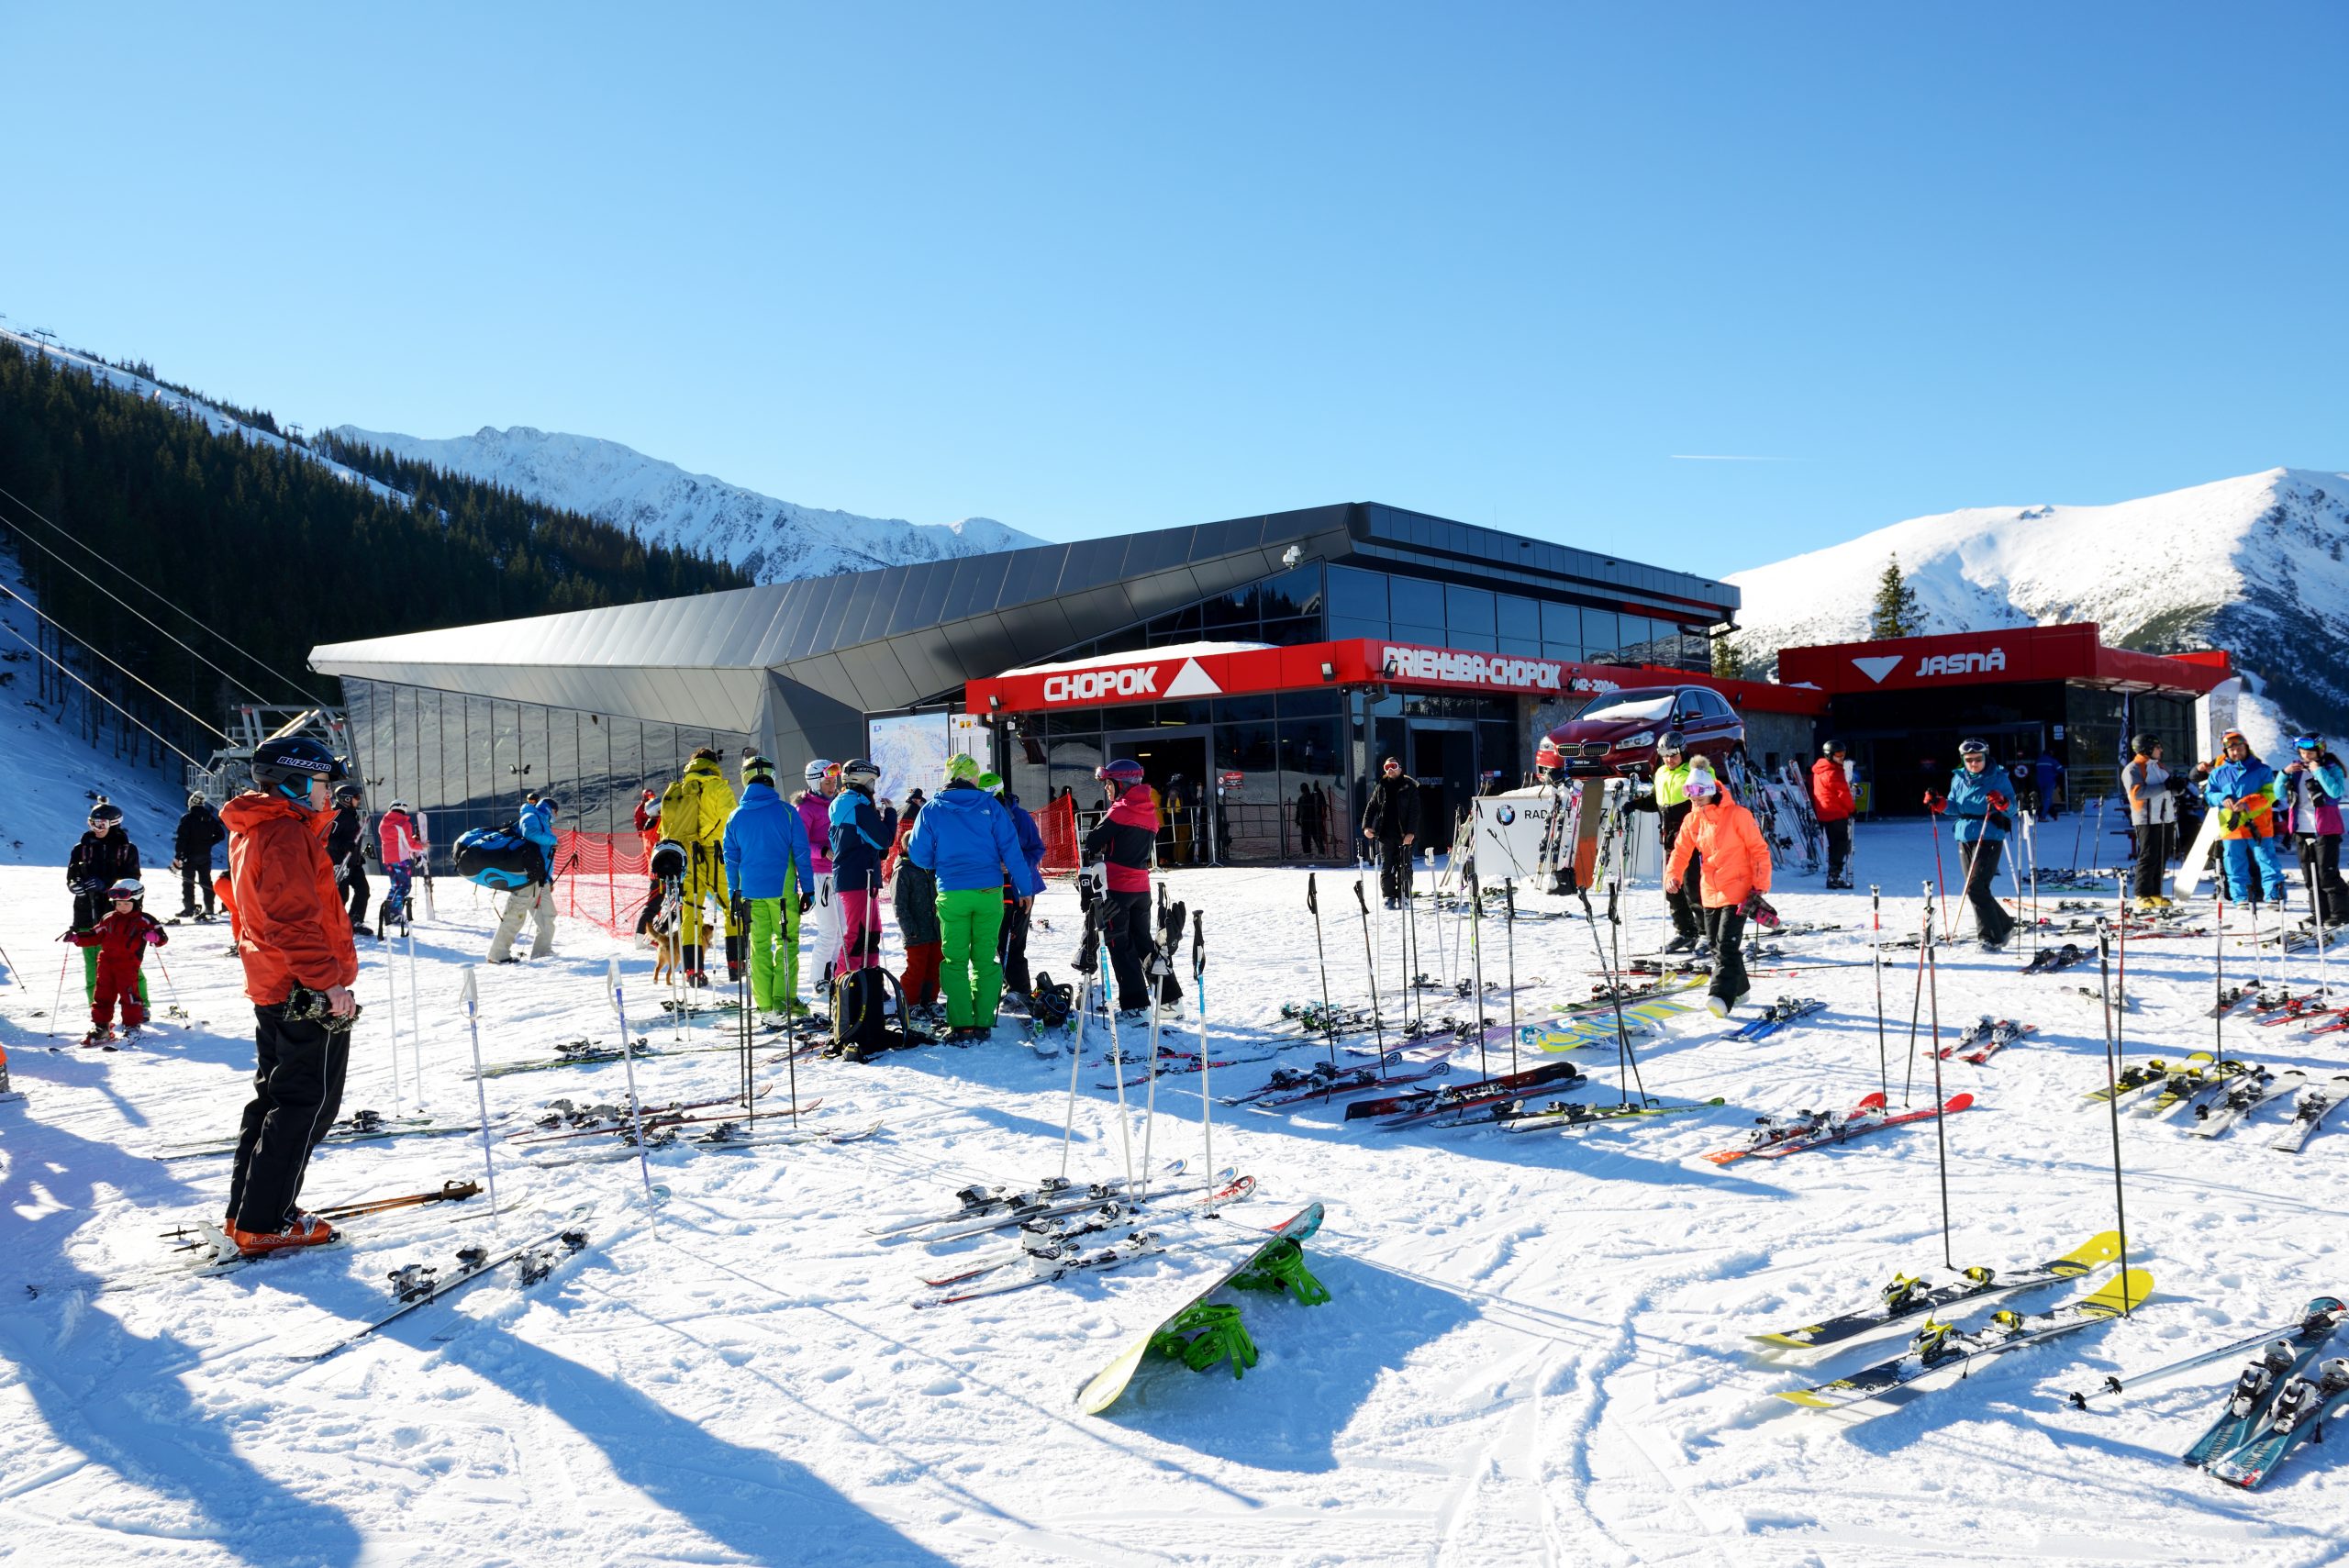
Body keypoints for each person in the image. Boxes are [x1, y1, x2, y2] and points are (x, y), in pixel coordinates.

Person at [217, 734, 360, 1257]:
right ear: (296, 781)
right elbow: (293, 919)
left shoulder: (260, 828)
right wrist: (328, 983)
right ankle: (264, 1220)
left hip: (274, 981)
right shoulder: (283, 834)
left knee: (276, 1098)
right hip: (301, 986)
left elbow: (238, 896)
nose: (330, 794)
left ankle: (248, 1211)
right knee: (307, 1103)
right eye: (323, 783)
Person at [906, 752, 1043, 1040]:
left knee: (955, 961)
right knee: (984, 960)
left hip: (952, 893)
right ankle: (982, 1022)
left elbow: (918, 855)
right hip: (989, 893)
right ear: (973, 778)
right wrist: (1024, 888)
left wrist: (941, 863)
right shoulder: (991, 807)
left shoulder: (931, 809)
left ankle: (961, 1024)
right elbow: (1012, 851)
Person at [1663, 768, 1771, 1016]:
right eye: (1689, 791)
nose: (1695, 796)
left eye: (1700, 791)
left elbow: (1759, 849)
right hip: (1710, 889)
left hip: (1739, 889)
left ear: (1711, 791)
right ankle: (1741, 990)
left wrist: (1761, 881)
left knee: (1725, 945)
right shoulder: (1692, 820)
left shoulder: (1738, 815)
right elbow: (1680, 851)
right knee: (1714, 943)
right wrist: (1673, 875)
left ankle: (1720, 997)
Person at [1083, 758, 1181, 1021]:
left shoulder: (1121, 809)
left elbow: (1092, 840)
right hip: (1141, 886)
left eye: (1109, 784)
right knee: (1143, 943)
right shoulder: (1148, 809)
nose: (1106, 789)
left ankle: (1135, 1004)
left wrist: (1105, 844)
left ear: (1121, 784)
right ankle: (1169, 999)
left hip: (1117, 887)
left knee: (1119, 944)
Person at [722, 755, 814, 1025]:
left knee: (758, 947)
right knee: (786, 945)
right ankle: (784, 999)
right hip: (782, 892)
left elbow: (731, 859)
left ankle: (765, 1007)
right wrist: (807, 889)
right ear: (771, 778)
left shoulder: (736, 816)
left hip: (750, 892)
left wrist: (734, 892)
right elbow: (801, 853)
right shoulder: (786, 812)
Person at [662, 747, 740, 984]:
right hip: (717, 855)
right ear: (714, 764)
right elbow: (732, 820)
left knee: (691, 911)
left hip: (688, 858)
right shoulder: (719, 787)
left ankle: (692, 971)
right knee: (731, 907)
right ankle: (737, 965)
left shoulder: (680, 790)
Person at [63, 877, 166, 1045]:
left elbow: (161, 938)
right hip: (105, 963)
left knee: (129, 996)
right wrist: (77, 938)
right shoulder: (109, 918)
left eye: (126, 904)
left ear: (137, 902)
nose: (122, 907)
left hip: (128, 964)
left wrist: (153, 937)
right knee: (102, 996)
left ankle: (132, 1027)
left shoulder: (144, 920)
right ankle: (101, 1027)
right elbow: (95, 934)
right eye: (118, 904)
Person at [1628, 732, 1705, 952]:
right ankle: (1685, 932)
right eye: (1664, 754)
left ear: (1682, 751)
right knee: (1672, 888)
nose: (1668, 759)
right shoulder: (1660, 773)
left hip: (1693, 840)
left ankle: (1706, 934)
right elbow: (1655, 801)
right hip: (1670, 842)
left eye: (1673, 754)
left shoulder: (1695, 772)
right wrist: (1635, 804)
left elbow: (1710, 802)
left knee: (1694, 888)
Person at [1939, 739, 2018, 949]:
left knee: (1975, 887)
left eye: (1978, 759)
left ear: (1986, 757)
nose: (1973, 764)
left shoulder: (1998, 778)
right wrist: (1940, 804)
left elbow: (2012, 809)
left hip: (1989, 833)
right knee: (1974, 888)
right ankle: (2005, 925)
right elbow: (1955, 806)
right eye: (1969, 760)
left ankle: (1991, 938)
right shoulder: (1958, 779)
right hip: (1965, 835)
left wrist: (2001, 801)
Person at [2204, 728, 2289, 908]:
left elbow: (2270, 794)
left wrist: (2247, 803)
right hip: (2231, 826)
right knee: (2234, 863)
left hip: (2258, 825)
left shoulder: (2262, 770)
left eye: (2240, 747)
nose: (2236, 752)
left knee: (2267, 860)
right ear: (2226, 751)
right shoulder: (2218, 773)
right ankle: (2240, 897)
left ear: (2246, 747)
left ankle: (2274, 895)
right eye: (2232, 749)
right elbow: (2209, 795)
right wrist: (2222, 798)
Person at [67, 800, 142, 1005]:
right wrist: (75, 885)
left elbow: (133, 880)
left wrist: (107, 885)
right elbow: (72, 875)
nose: (95, 829)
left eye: (100, 824)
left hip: (118, 913)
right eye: (92, 823)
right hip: (86, 910)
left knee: (126, 962)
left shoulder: (127, 849)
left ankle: (138, 1004)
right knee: (93, 965)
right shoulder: (80, 848)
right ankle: (98, 1010)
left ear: (114, 824)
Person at [985, 773, 1047, 1003]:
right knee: (992, 941)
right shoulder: (981, 816)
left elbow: (1036, 849)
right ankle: (1001, 983)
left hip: (1021, 888)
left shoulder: (1019, 817)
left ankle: (1019, 990)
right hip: (991, 887)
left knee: (1012, 942)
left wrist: (1012, 866)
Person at [828, 758, 892, 976]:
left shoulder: (843, 804)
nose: (873, 788)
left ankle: (869, 980)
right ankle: (846, 983)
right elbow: (884, 840)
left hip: (858, 876)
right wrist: (890, 815)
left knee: (870, 933)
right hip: (858, 878)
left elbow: (869, 844)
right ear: (863, 780)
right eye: (872, 782)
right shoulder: (857, 807)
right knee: (859, 934)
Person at [2284, 735, 2349, 927]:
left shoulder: (2330, 769)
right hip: (2301, 829)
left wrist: (2318, 771)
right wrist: (2283, 773)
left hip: (2326, 829)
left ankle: (2341, 912)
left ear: (2320, 752)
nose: (2306, 757)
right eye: (2303, 753)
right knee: (2309, 875)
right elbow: (2279, 794)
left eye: (2310, 753)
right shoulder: (2297, 771)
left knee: (2326, 873)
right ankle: (2319, 913)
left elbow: (2336, 792)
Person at [487, 795, 561, 963]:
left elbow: (544, 853)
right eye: (555, 812)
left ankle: (542, 952)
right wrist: (553, 840)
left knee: (548, 915)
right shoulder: (531, 816)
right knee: (515, 915)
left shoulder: (543, 821)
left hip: (541, 878)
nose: (556, 816)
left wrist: (548, 879)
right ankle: (497, 955)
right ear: (550, 808)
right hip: (527, 877)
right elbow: (530, 833)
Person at [886, 809, 942, 1019]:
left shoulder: (930, 869)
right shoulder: (903, 871)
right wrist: (909, 930)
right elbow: (899, 904)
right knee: (916, 968)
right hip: (916, 930)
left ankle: (930, 1000)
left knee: (935, 965)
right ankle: (911, 1002)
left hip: (935, 928)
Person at [796, 759, 841, 993]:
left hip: (838, 873)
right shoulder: (806, 808)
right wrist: (823, 851)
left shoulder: (836, 804)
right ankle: (818, 979)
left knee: (842, 930)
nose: (832, 786)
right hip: (820, 875)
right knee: (828, 930)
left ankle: (835, 974)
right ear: (815, 782)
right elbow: (800, 842)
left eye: (834, 781)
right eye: (827, 782)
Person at [2121, 733, 2176, 911]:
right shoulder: (2134, 768)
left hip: (2166, 817)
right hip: (2147, 818)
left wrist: (2178, 788)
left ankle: (2155, 892)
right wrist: (2165, 786)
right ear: (2147, 749)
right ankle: (2142, 894)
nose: (2161, 750)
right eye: (2158, 747)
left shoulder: (2159, 766)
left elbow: (2167, 791)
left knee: (2162, 855)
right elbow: (2137, 793)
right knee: (2149, 855)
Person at [1362, 756, 1420, 908]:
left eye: (1393, 766)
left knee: (1405, 866)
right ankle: (1388, 897)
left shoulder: (1410, 786)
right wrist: (1366, 827)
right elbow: (1371, 807)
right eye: (1387, 768)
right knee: (1387, 867)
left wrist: (1411, 833)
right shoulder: (1381, 786)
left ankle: (1405, 896)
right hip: (1385, 834)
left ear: (1400, 768)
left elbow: (1415, 812)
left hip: (1404, 835)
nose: (1390, 770)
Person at [171, 792, 226, 920]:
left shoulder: (187, 818)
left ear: (191, 803)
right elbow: (221, 835)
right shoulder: (210, 818)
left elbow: (182, 839)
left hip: (189, 856)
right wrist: (208, 844)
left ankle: (189, 909)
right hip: (205, 855)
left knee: (188, 883)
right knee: (206, 881)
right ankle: (210, 908)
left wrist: (178, 856)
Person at [1809, 740, 1856, 889]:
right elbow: (1844, 794)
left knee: (1834, 844)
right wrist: (1852, 809)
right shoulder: (1835, 771)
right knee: (1841, 844)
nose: (1841, 757)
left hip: (1824, 812)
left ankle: (1833, 875)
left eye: (1843, 753)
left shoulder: (1819, 770)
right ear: (1829, 755)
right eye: (1838, 754)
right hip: (1836, 812)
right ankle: (1834, 876)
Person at [375, 799, 427, 934]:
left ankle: (388, 911)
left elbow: (398, 840)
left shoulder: (383, 822)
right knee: (404, 886)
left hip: (388, 859)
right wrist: (421, 846)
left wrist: (412, 840)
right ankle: (395, 913)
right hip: (401, 859)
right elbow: (409, 844)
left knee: (395, 885)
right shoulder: (404, 823)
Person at [327, 784, 371, 939]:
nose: (358, 800)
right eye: (356, 798)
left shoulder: (352, 814)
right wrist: (343, 845)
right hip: (340, 862)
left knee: (363, 890)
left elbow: (354, 840)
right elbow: (327, 839)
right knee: (341, 895)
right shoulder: (335, 815)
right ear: (346, 798)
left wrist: (358, 855)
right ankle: (333, 925)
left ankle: (355, 920)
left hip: (353, 862)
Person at [632, 786, 664, 935]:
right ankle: (642, 933)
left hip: (660, 871)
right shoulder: (656, 825)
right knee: (654, 905)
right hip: (661, 872)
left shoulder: (652, 823)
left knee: (660, 904)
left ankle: (659, 929)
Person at [2036, 746, 2065, 822]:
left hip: (2040, 782)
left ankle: (2054, 814)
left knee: (2045, 799)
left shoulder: (2039, 760)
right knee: (2047, 799)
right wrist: (2055, 773)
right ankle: (2042, 816)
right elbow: (2061, 770)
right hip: (2049, 781)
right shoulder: (2052, 761)